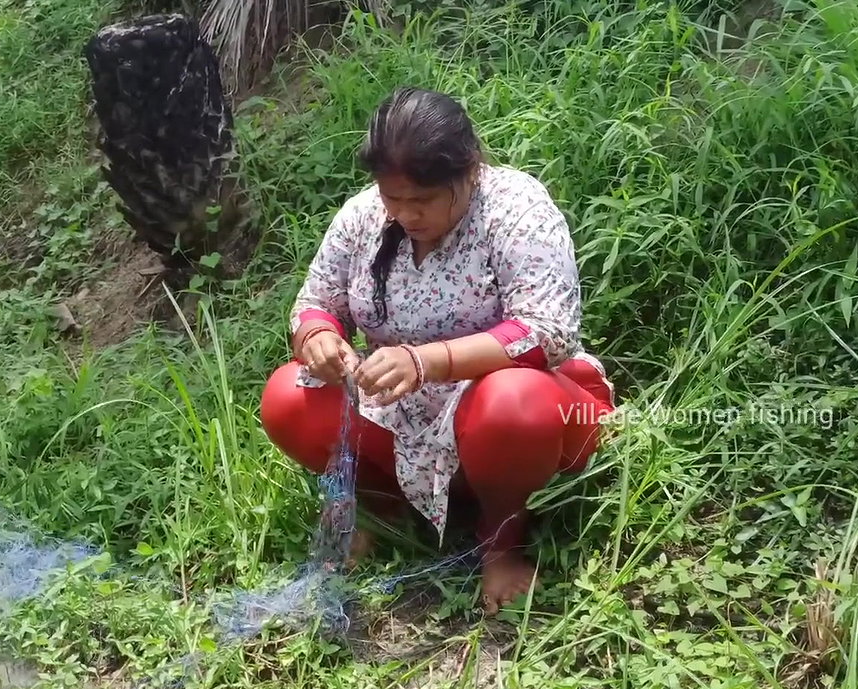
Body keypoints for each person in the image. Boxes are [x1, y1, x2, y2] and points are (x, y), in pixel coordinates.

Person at [260, 86, 615, 616]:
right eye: (391, 197)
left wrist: (429, 362)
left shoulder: (516, 210)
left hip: (526, 411)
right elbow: (316, 302)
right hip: (403, 410)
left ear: (469, 170)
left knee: (511, 403)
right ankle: (382, 506)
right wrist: (321, 340)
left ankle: (502, 538)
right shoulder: (364, 217)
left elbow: (548, 332)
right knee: (289, 396)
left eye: (421, 200)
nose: (403, 214)